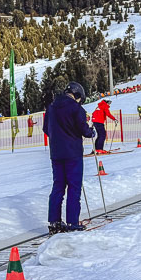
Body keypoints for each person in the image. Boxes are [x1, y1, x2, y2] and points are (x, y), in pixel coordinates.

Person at [43, 82, 95, 234]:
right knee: (74, 187)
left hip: (56, 153)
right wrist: (91, 132)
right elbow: (83, 129)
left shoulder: (51, 107)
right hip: (73, 153)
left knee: (58, 186)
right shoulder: (75, 108)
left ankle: (54, 222)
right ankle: (72, 222)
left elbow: (46, 129)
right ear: (77, 95)